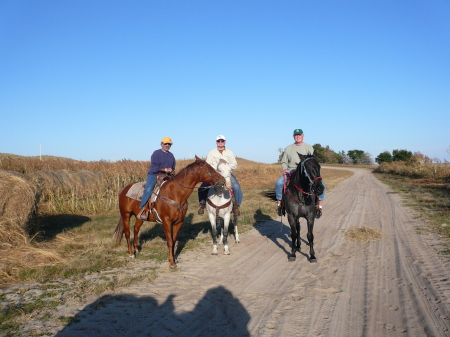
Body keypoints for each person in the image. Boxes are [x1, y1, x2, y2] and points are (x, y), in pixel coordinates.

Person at [275, 129, 325, 218]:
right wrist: (284, 169)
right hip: (291, 170)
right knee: (279, 183)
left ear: (303, 136)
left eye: (299, 135)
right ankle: (280, 204)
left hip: (305, 171)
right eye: (296, 135)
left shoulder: (309, 147)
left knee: (322, 184)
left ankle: (318, 206)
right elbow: (284, 161)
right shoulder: (289, 148)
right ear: (293, 137)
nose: (297, 137)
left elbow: (312, 161)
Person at [198, 135, 243, 215]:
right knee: (202, 188)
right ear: (216, 142)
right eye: (219, 141)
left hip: (227, 174)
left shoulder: (229, 152)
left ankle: (236, 206)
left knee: (236, 187)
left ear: (225, 142)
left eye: (222, 141)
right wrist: (218, 167)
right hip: (215, 174)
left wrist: (227, 166)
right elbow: (208, 165)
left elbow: (235, 164)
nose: (220, 142)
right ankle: (202, 204)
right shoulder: (211, 153)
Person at [139, 137, 176, 218]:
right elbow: (154, 167)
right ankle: (143, 209)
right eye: (165, 143)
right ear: (161, 144)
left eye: (168, 144)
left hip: (167, 176)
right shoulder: (156, 153)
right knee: (149, 189)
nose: (167, 145)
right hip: (155, 175)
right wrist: (165, 169)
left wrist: (172, 171)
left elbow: (173, 167)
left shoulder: (171, 155)